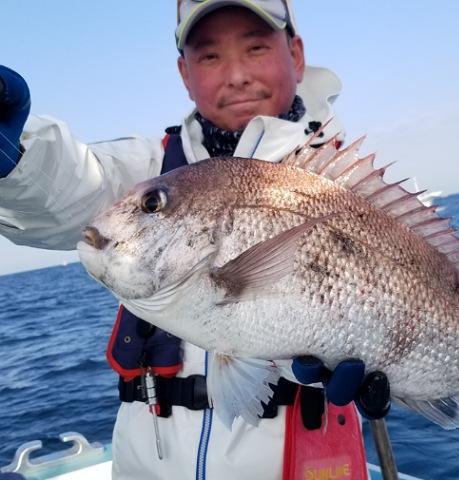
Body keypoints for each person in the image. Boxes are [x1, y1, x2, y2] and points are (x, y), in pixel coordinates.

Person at [0, 1, 389, 479]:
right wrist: (15, 154)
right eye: (210, 56)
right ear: (184, 73)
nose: (237, 75)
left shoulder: (346, 188)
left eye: (255, 47)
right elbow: (72, 184)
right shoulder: (155, 170)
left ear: (296, 54)